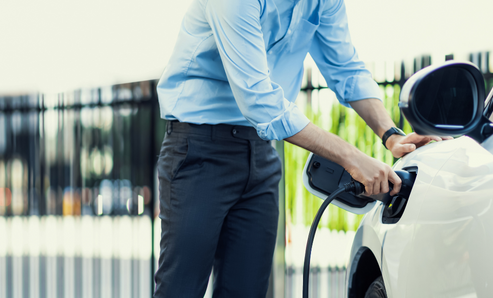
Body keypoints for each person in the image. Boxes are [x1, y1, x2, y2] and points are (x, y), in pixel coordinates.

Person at [154, 0, 445, 297]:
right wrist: (352, 158)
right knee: (181, 289)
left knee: (247, 291)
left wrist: (391, 135)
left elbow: (346, 69)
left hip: (261, 152)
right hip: (200, 150)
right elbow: (260, 102)